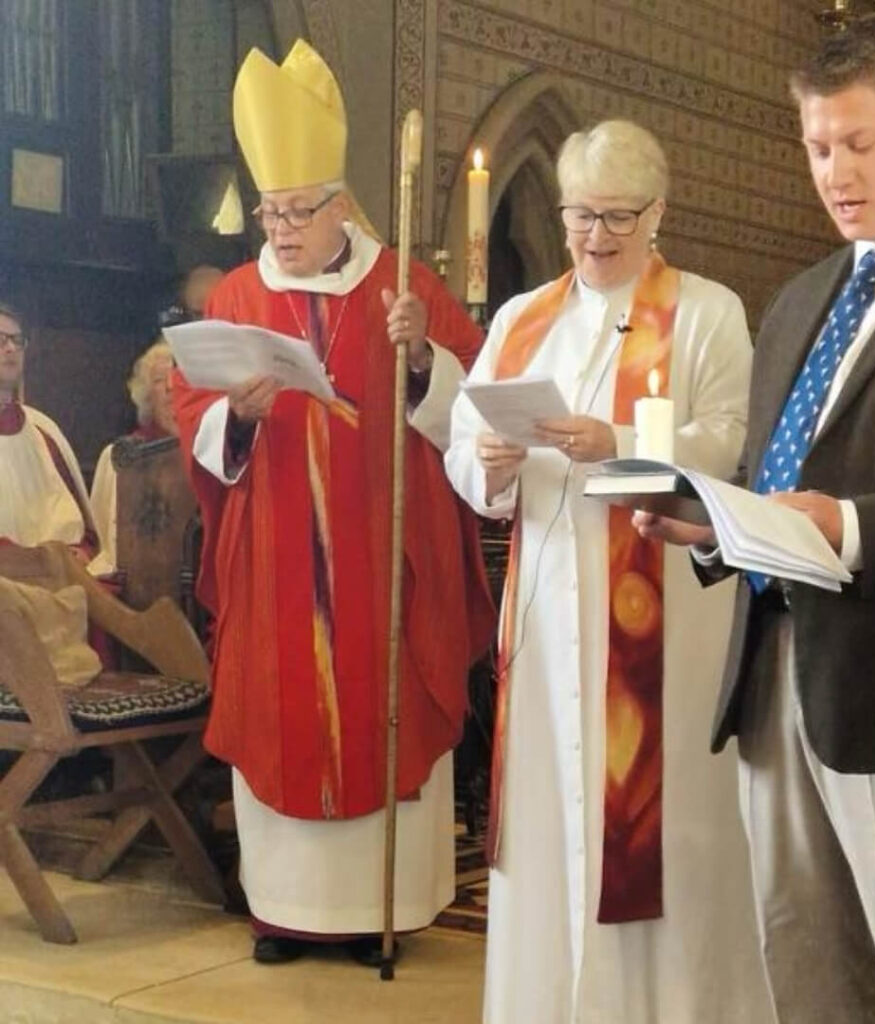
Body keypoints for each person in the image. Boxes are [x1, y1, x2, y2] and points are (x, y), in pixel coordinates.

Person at [635, 16, 875, 1024]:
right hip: (773, 671)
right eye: (816, 146)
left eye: (860, 143)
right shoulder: (804, 293)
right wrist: (716, 525)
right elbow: (779, 471)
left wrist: (844, 527)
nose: (833, 171)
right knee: (803, 967)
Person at [172, 40, 494, 966]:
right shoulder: (239, 294)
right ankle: (284, 913)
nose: (279, 228)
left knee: (379, 709)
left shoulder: (406, 287)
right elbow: (194, 412)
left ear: (340, 205)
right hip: (275, 556)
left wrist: (424, 357)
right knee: (280, 717)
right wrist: (233, 417)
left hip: (380, 556)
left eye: (297, 212)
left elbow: (476, 404)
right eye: (270, 212)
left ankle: (378, 915)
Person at [445, 120, 771, 1023]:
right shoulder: (521, 320)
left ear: (658, 212)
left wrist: (616, 443)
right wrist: (492, 468)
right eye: (580, 215)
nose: (595, 237)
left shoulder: (706, 311)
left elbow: (733, 444)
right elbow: (467, 454)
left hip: (661, 619)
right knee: (552, 814)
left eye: (619, 217)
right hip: (548, 618)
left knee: (661, 826)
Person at [0, 301, 97, 561]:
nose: (10, 348)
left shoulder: (43, 430)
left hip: (51, 581)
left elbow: (87, 536)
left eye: (17, 340)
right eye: (0, 339)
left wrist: (79, 553)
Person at [89, 339, 178, 575]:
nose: (171, 386)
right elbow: (107, 544)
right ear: (148, 395)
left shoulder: (217, 457)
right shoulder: (120, 458)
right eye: (160, 380)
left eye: (180, 377)